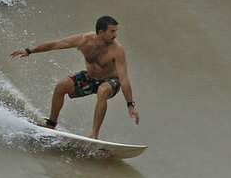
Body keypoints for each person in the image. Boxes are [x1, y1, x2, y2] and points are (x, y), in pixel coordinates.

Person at [10, 15, 139, 138]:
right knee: (61, 86)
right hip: (90, 78)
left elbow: (124, 79)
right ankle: (51, 125)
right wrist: (29, 51)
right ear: (101, 32)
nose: (115, 35)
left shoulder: (117, 50)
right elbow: (55, 44)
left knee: (103, 90)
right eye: (112, 31)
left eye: (116, 31)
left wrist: (130, 105)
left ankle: (94, 135)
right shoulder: (84, 41)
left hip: (111, 82)